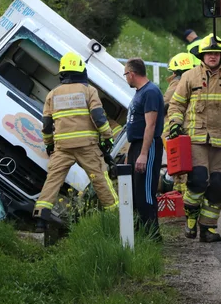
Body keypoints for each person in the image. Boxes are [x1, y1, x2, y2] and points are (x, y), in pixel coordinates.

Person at [167, 34, 221, 242]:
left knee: (219, 185)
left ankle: (208, 228)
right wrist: (176, 123)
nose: (212, 56)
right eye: (208, 53)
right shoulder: (189, 77)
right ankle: (191, 217)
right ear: (202, 55)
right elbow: (176, 105)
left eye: (216, 53)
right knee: (197, 181)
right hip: (196, 139)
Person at [33, 52, 118, 232]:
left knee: (53, 180)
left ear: (62, 73)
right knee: (100, 178)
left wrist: (49, 144)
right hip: (87, 147)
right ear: (81, 70)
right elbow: (98, 117)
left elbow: (47, 125)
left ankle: (40, 218)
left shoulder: (52, 94)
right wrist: (107, 137)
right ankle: (115, 216)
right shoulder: (88, 91)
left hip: (62, 148)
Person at [124, 58, 165, 241]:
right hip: (137, 145)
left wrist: (143, 154)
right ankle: (141, 232)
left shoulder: (151, 92)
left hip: (147, 146)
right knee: (136, 192)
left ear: (132, 74)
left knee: (146, 192)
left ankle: (152, 234)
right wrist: (130, 154)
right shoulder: (140, 93)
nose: (126, 78)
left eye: (126, 74)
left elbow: (151, 125)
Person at [162, 52, 194, 195]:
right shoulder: (196, 80)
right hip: (192, 127)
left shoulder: (177, 82)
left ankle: (180, 195)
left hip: (175, 129)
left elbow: (166, 103)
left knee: (178, 166)